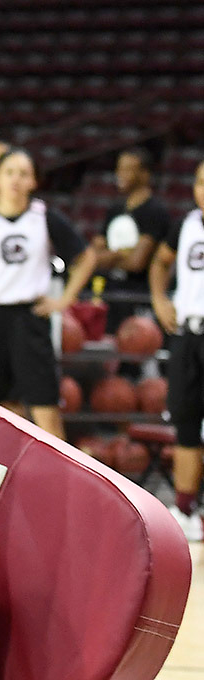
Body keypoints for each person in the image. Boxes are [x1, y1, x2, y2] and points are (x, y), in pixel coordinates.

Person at [0, 149, 96, 439]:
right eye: (9, 172)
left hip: (30, 318)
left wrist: (64, 300)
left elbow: (86, 258)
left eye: (23, 173)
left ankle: (58, 483)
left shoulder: (44, 217)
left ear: (34, 181)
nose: (16, 179)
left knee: (45, 408)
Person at [147, 158, 204, 543]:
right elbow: (160, 261)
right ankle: (185, 508)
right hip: (188, 334)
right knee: (185, 423)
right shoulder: (185, 225)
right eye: (201, 181)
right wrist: (159, 299)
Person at [92, 148, 171, 331]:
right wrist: (121, 255)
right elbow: (93, 255)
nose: (120, 174)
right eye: (119, 169)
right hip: (109, 294)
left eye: (128, 169)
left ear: (145, 174)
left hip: (138, 297)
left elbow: (137, 262)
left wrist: (110, 256)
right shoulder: (114, 210)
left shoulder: (155, 212)